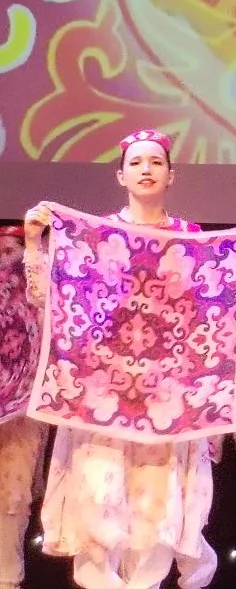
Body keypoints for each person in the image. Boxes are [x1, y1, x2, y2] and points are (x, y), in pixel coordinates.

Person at [22, 128, 236, 589]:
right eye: (136, 162)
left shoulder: (191, 240)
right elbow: (50, 303)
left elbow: (212, 316)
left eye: (155, 162)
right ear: (121, 175)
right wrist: (36, 244)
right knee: (98, 502)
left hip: (165, 399)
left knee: (154, 514)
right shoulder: (94, 236)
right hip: (103, 394)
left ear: (171, 175)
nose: (146, 170)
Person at [0, 224, 49, 589]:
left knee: (12, 499)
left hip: (22, 413)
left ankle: (7, 579)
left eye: (10, 252)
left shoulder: (39, 293)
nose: (6, 262)